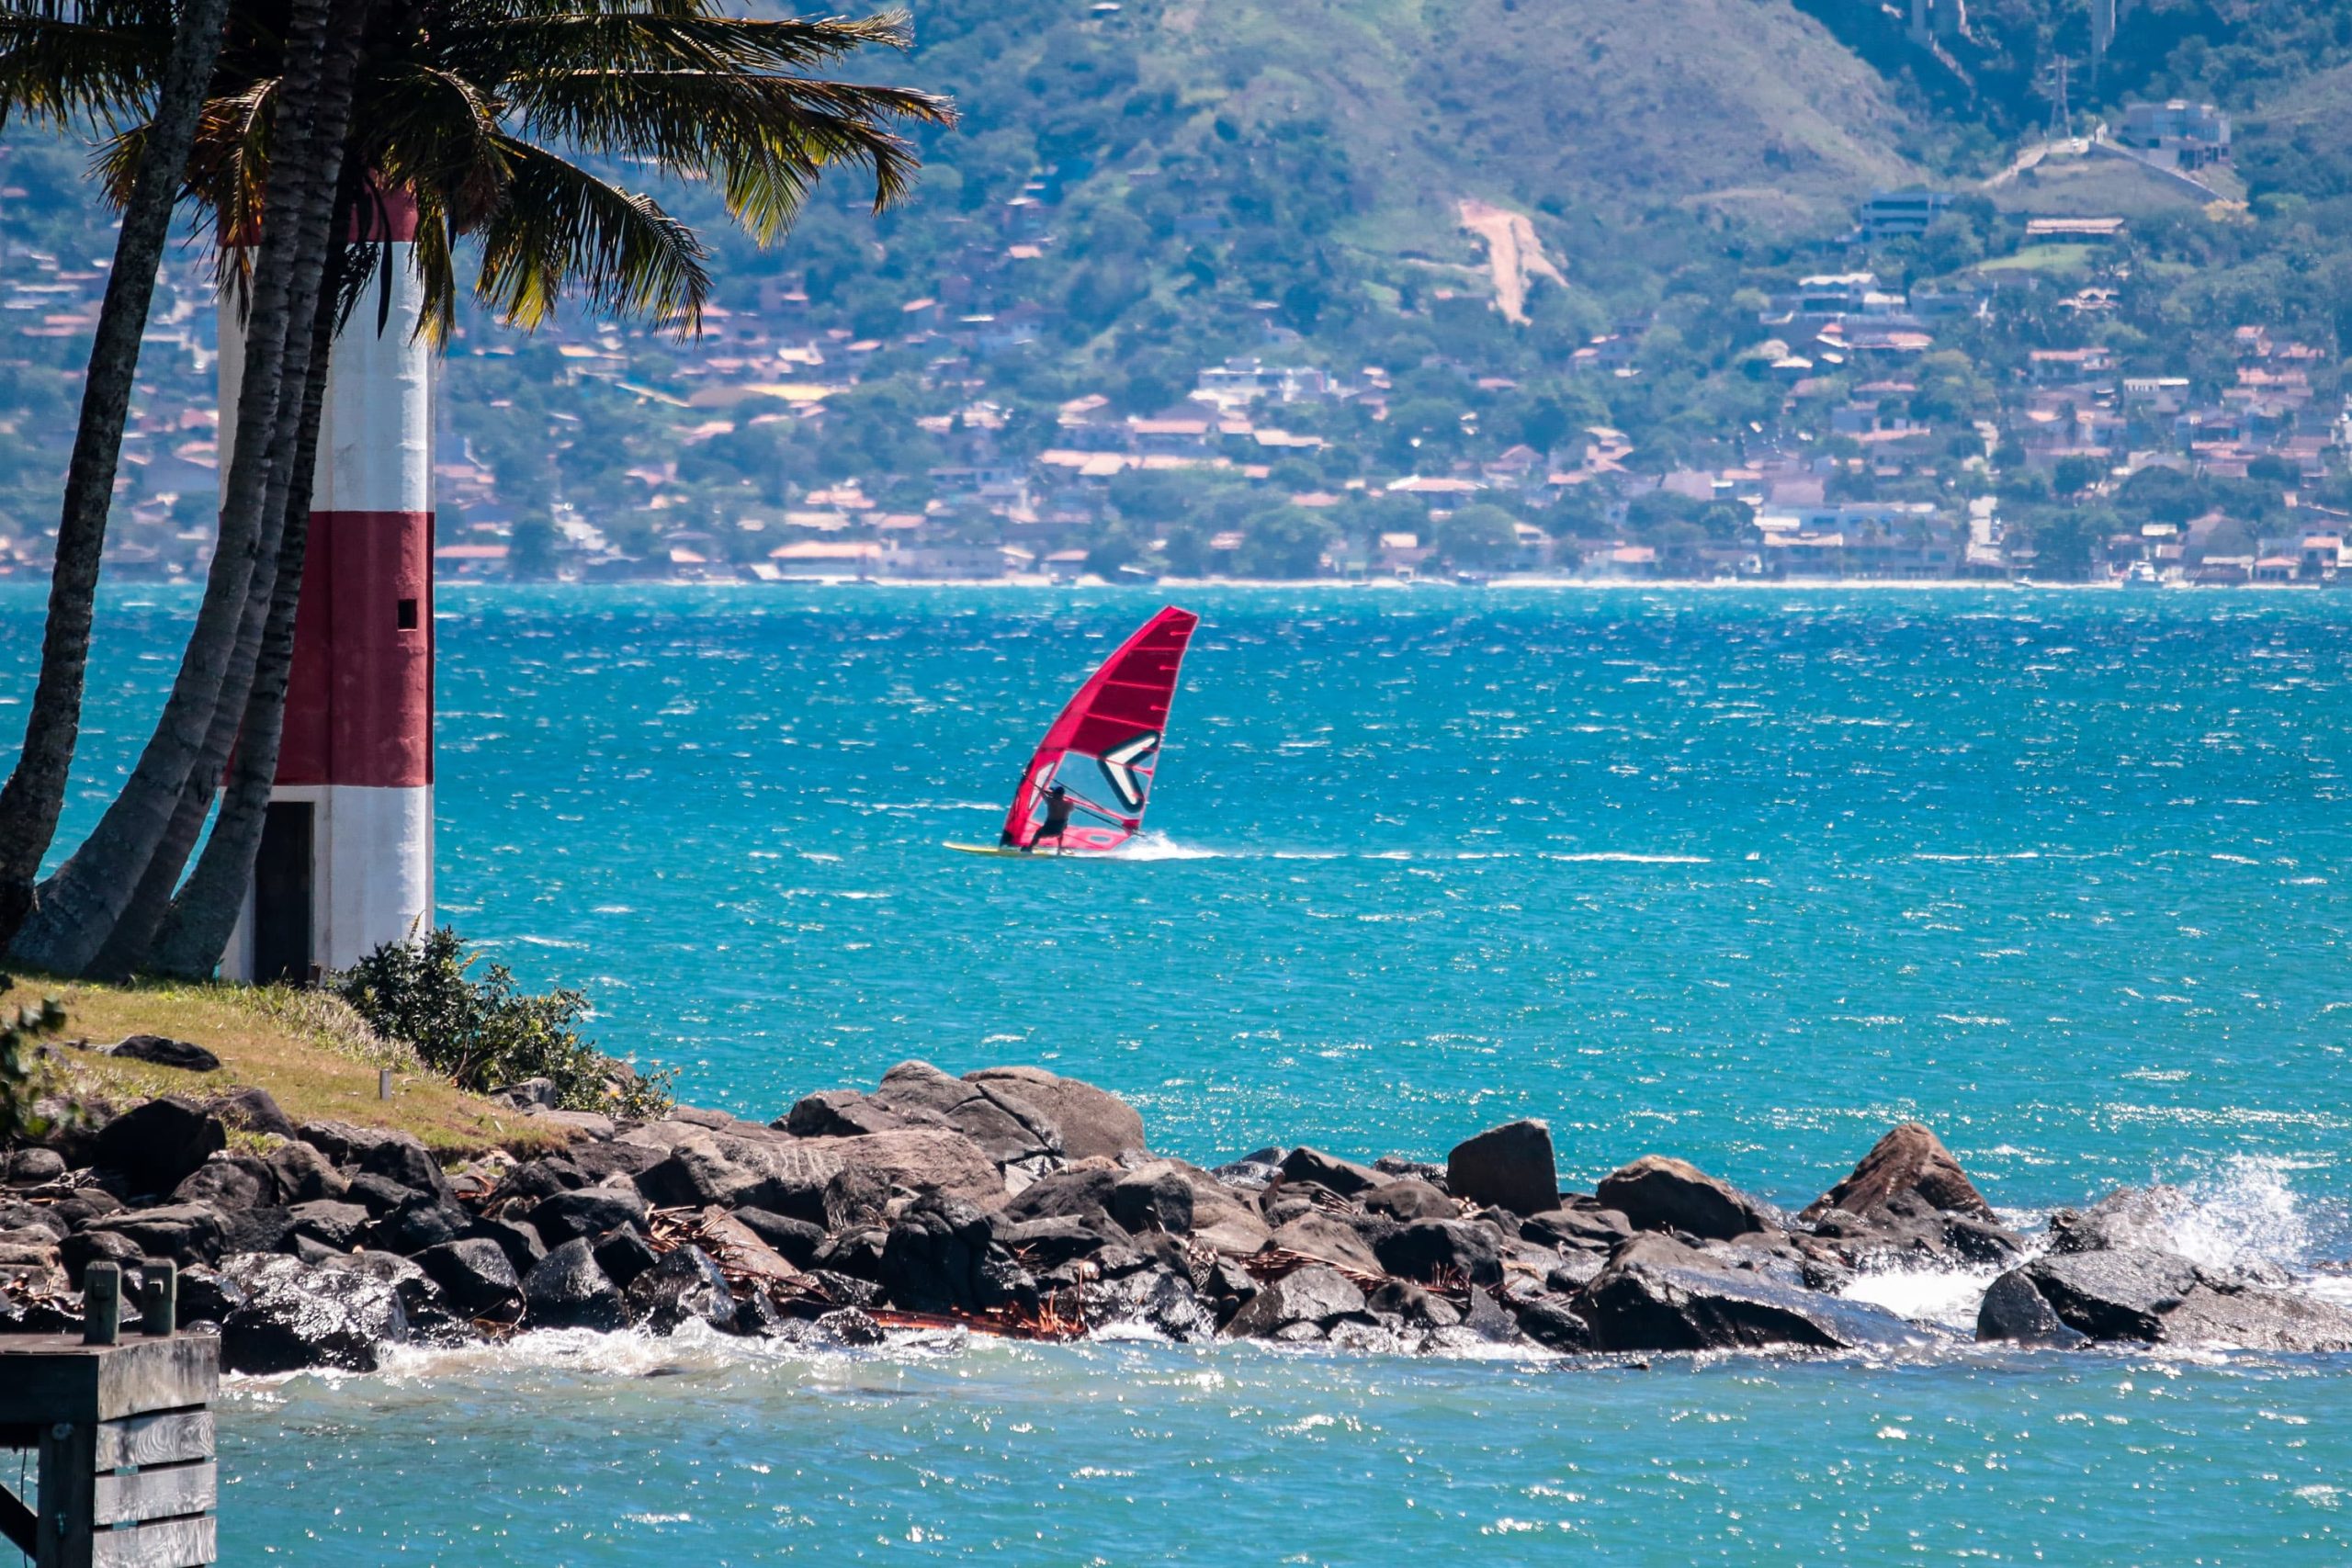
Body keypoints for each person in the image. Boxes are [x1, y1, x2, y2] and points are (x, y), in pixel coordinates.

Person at [1024, 782, 1076, 853]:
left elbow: (1042, 793)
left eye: (1053, 792)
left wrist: (1040, 788)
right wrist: (1070, 801)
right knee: (1062, 829)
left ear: (1055, 794)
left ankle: (1030, 848)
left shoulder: (1051, 801)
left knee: (1038, 833)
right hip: (1058, 831)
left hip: (1048, 830)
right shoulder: (1069, 804)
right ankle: (1059, 849)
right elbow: (1072, 809)